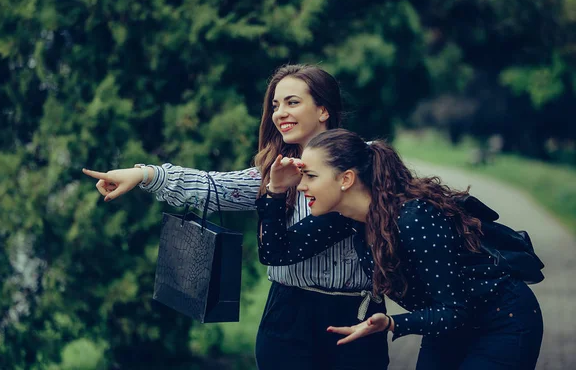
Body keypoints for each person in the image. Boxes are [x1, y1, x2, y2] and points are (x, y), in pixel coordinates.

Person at [82, 65, 389, 370]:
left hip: (356, 312)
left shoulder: (362, 164)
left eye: (292, 102)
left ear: (323, 110)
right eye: (275, 105)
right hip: (288, 314)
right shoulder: (274, 172)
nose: (279, 113)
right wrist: (146, 174)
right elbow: (214, 187)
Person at [257, 128, 543, 370]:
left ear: (345, 179)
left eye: (311, 176)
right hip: (444, 326)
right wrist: (275, 190)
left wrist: (391, 322)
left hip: (501, 321)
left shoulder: (413, 217)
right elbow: (276, 253)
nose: (302, 186)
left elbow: (455, 309)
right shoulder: (350, 218)